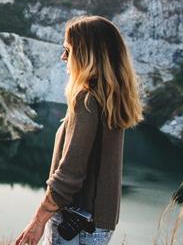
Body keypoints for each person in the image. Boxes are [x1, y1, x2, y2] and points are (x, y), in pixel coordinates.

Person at [16, 15, 143, 245]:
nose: (63, 57)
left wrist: (38, 220)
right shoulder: (111, 98)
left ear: (86, 55)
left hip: (74, 222)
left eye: (68, 50)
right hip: (100, 224)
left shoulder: (86, 99)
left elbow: (70, 174)